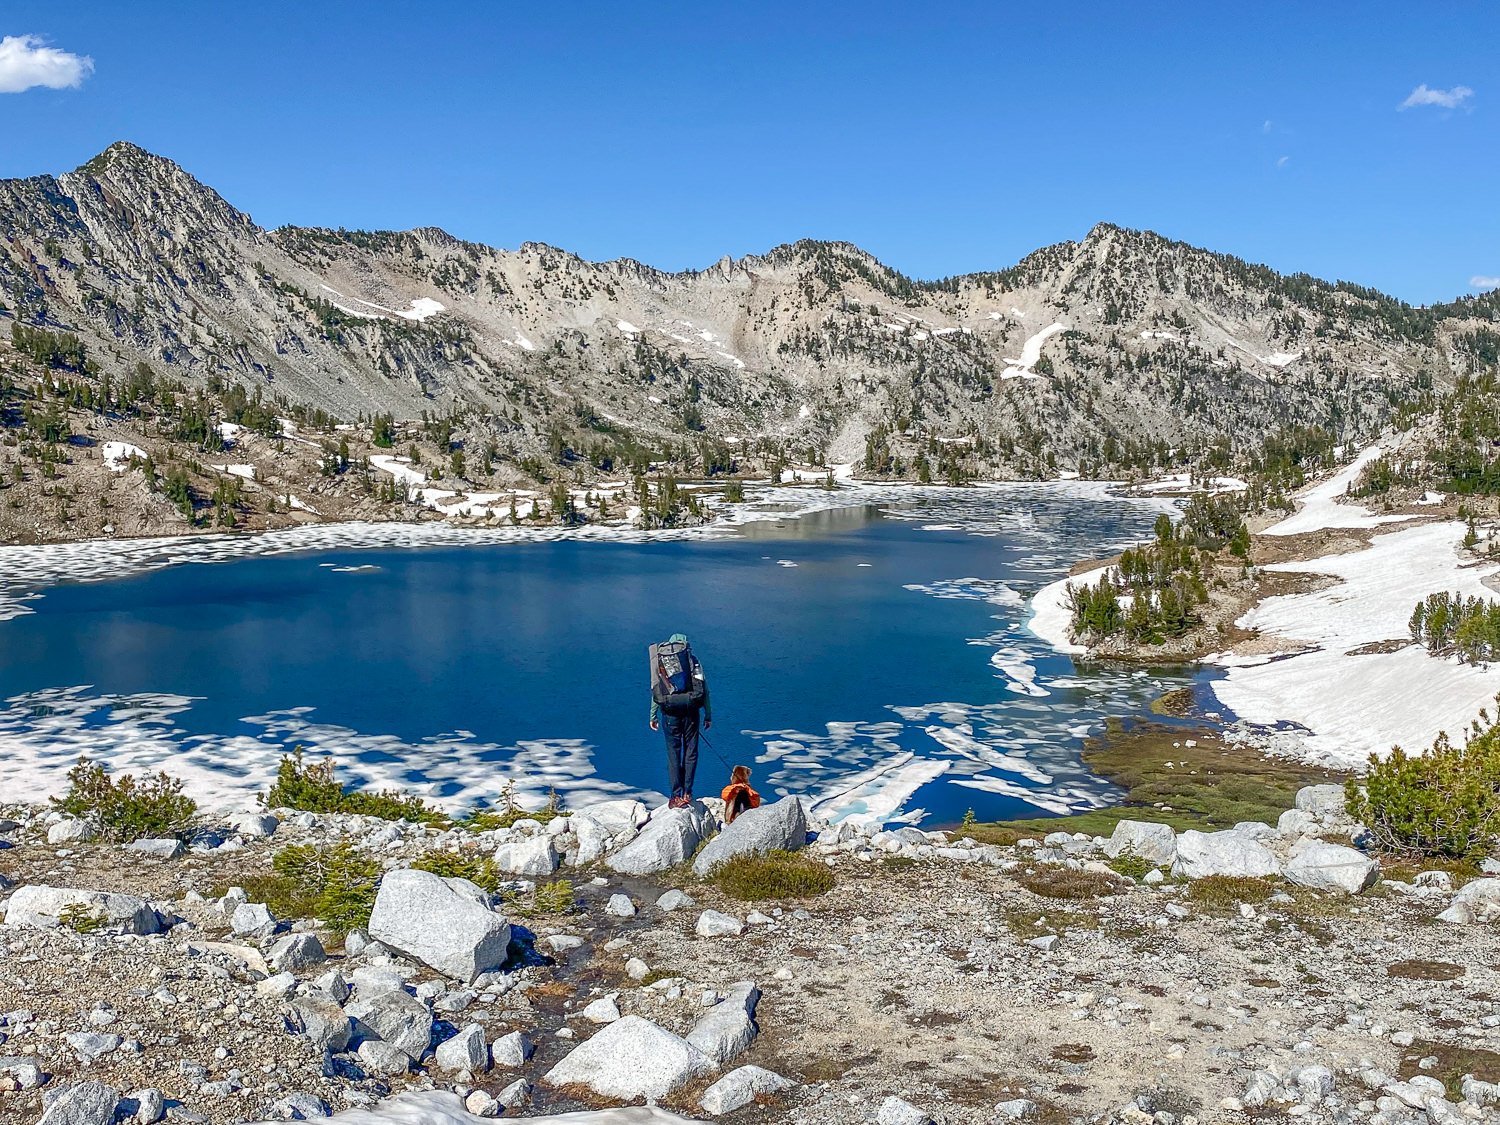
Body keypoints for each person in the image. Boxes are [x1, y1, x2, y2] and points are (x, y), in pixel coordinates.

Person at [649, 632, 711, 808]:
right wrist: (708, 715)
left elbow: (655, 691)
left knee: (674, 755)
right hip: (691, 713)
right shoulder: (693, 661)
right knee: (690, 753)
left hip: (670, 715)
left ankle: (675, 796)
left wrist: (653, 716)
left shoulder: (661, 661)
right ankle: (687, 793)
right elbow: (704, 690)